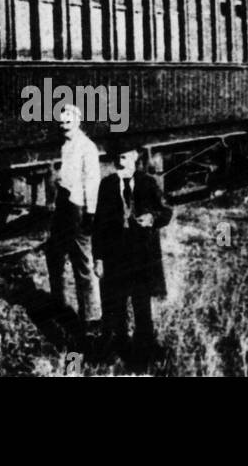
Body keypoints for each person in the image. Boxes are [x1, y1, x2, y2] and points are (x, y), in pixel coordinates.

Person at [94, 140, 172, 363]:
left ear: (136, 157)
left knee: (142, 305)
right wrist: (98, 258)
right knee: (116, 305)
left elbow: (166, 211)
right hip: (116, 257)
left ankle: (145, 350)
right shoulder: (106, 185)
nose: (120, 162)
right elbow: (98, 225)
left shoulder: (148, 183)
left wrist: (152, 218)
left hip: (142, 257)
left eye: (125, 157)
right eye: (117, 158)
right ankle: (120, 347)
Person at [45, 104, 103, 349]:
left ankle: (91, 319)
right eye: (61, 121)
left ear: (78, 121)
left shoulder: (86, 147)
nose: (63, 125)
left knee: (82, 262)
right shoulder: (66, 145)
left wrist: (91, 213)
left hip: (79, 209)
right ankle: (58, 303)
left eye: (68, 121)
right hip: (65, 206)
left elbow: (92, 181)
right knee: (54, 253)